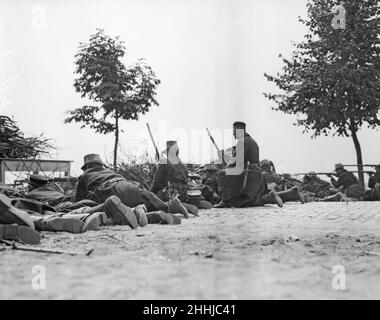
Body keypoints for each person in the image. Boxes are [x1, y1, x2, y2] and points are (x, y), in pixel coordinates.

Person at [76, 154, 185, 220]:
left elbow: (79, 200)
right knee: (150, 205)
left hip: (113, 190)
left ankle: (143, 210)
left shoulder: (85, 176)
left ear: (87, 166)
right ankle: (170, 206)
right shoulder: (109, 171)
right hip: (131, 185)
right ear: (100, 164)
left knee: (120, 208)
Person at [214, 121, 283, 208]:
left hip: (248, 174)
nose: (233, 134)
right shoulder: (253, 141)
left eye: (234, 131)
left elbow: (236, 164)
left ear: (239, 130)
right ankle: (270, 197)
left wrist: (224, 160)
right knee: (249, 203)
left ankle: (224, 200)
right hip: (257, 174)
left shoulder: (242, 142)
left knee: (221, 174)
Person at [151, 141, 212, 215]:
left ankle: (179, 205)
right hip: (185, 192)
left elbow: (157, 182)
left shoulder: (164, 161)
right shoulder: (181, 163)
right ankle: (190, 203)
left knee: (154, 202)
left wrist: (151, 193)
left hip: (173, 193)